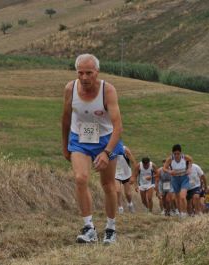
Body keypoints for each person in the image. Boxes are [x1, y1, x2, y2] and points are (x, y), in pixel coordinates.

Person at [61, 54, 124, 244]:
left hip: (106, 139)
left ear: (97, 72)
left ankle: (111, 229)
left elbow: (118, 126)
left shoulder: (108, 90)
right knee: (80, 178)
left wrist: (106, 152)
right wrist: (65, 146)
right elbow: (65, 119)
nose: (84, 77)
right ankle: (89, 228)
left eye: (89, 73)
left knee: (108, 185)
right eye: (80, 73)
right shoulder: (70, 89)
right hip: (79, 137)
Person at [163, 144, 192, 218]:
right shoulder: (170, 159)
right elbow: (164, 168)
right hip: (175, 179)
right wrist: (170, 172)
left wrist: (189, 168)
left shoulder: (185, 157)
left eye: (178, 153)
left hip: (184, 178)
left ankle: (184, 213)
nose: (176, 155)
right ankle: (180, 212)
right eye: (175, 154)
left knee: (182, 196)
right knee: (177, 197)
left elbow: (191, 160)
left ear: (181, 153)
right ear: (172, 153)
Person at [115, 145, 136, 214]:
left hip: (126, 173)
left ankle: (130, 204)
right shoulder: (109, 149)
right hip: (116, 173)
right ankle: (120, 208)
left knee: (128, 193)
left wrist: (133, 176)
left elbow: (133, 162)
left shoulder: (125, 149)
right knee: (117, 191)